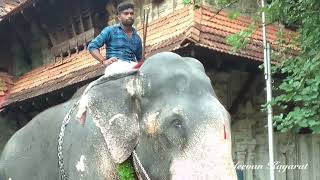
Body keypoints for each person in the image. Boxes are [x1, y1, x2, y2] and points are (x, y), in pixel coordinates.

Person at [87, 1, 143, 75]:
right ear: (119, 17)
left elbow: (140, 60)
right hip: (116, 65)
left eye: (131, 13)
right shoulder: (110, 30)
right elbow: (92, 46)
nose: (129, 16)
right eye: (126, 13)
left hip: (132, 66)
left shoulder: (137, 38)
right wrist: (104, 61)